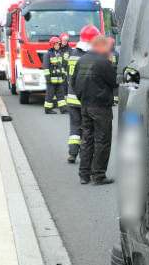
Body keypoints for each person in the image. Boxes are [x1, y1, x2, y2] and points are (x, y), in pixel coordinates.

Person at [72, 35, 117, 185]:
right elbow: (114, 81)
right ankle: (98, 175)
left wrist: (82, 98)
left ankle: (84, 174)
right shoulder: (103, 62)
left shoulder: (82, 60)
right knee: (102, 141)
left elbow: (74, 82)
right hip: (100, 106)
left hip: (85, 105)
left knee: (87, 139)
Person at [65, 24, 101, 163]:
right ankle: (85, 156)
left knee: (74, 126)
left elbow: (69, 77)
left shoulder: (73, 54)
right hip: (85, 99)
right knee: (87, 128)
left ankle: (72, 153)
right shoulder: (91, 57)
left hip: (72, 96)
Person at [42, 37, 67, 114]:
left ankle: (63, 109)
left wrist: (63, 74)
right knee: (50, 95)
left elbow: (61, 66)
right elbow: (45, 67)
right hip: (51, 80)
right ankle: (48, 109)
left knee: (61, 95)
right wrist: (48, 78)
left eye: (58, 44)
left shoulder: (59, 54)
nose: (58, 46)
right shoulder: (47, 54)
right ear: (52, 45)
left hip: (59, 79)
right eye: (56, 44)